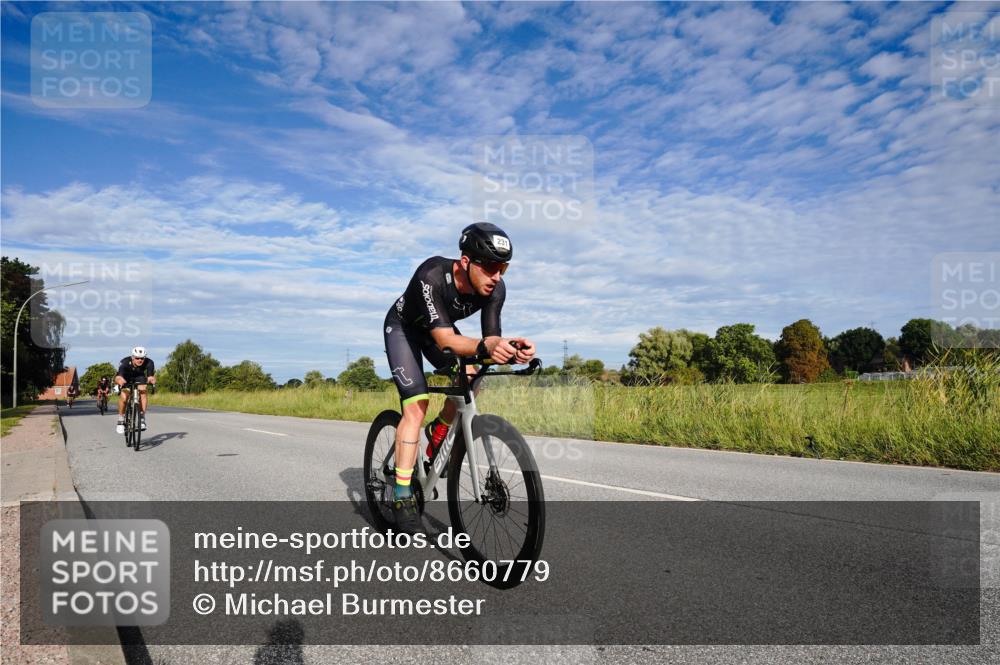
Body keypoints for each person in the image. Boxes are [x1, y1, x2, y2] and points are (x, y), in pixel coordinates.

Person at [383, 222, 536, 534]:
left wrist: (511, 350)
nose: (497, 276)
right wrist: (486, 347)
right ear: (466, 262)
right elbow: (445, 341)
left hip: (441, 332)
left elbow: (489, 342)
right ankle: (401, 495)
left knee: (472, 377)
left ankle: (437, 433)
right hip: (405, 330)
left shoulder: (495, 289)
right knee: (417, 404)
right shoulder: (431, 276)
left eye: (503, 268)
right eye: (491, 267)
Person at [114, 347, 156, 434]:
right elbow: (118, 377)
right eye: (137, 358)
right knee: (124, 397)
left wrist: (151, 379)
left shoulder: (149, 362)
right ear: (132, 357)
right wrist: (120, 381)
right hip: (125, 378)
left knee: (143, 390)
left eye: (142, 358)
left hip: (139, 377)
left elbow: (150, 376)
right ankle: (121, 420)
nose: (140, 360)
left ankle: (142, 418)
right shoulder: (125, 362)